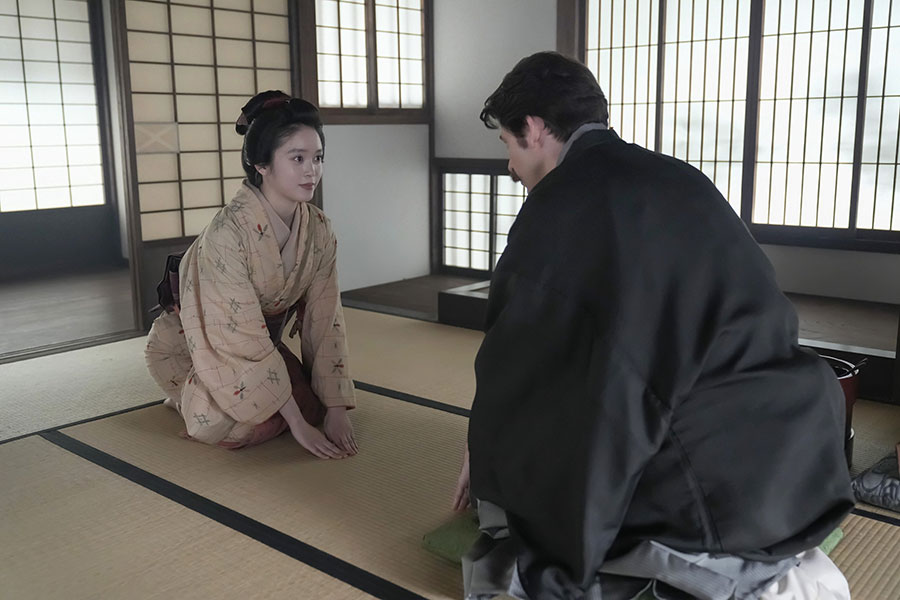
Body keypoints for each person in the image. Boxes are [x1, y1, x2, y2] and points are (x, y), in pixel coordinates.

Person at [452, 52, 855, 599]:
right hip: (800, 448)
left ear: (535, 128)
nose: (509, 165)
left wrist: (488, 449)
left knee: (525, 496)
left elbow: (526, 363)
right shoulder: (678, 176)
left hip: (709, 479)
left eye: (507, 144)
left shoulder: (556, 208)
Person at [145, 91, 358, 459]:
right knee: (238, 425)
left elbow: (325, 319)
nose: (312, 170)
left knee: (314, 407)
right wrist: (296, 425)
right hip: (195, 344)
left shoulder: (319, 229)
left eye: (318, 158)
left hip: (258, 349)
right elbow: (238, 334)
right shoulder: (227, 235)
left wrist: (337, 410)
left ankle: (245, 400)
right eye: (298, 158)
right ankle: (185, 393)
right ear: (262, 164)